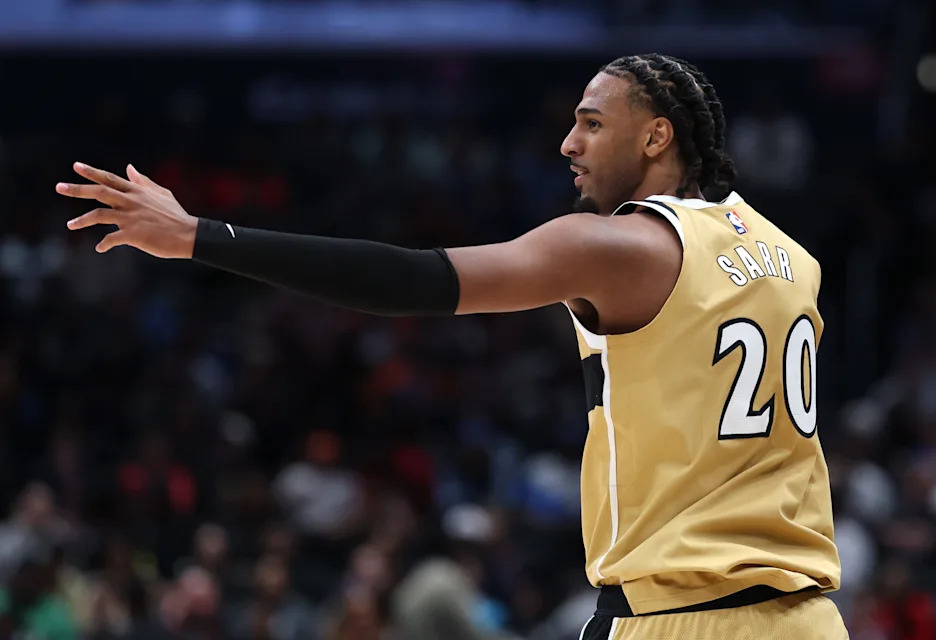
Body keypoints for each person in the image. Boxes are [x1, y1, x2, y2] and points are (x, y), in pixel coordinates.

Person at [57, 53, 847, 638]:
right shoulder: (792, 259)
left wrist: (197, 236)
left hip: (679, 616)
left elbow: (412, 279)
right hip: (809, 620)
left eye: (591, 123)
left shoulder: (620, 247)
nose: (568, 144)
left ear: (656, 136)